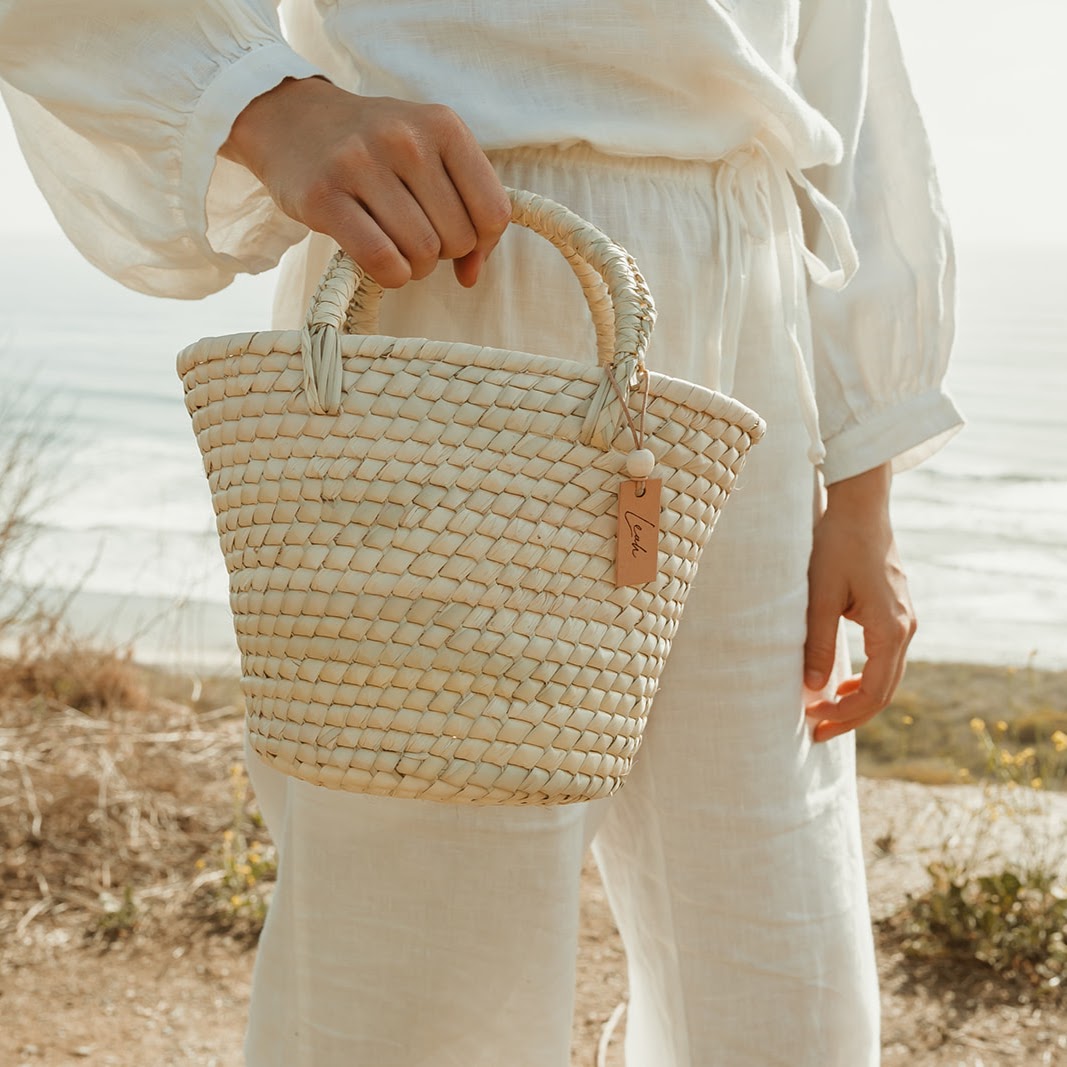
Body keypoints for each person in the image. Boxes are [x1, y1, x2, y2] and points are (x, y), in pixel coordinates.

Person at [0, 2, 963, 1064]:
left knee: (778, 973)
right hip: (454, 267)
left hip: (755, 311)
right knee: (414, 982)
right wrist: (264, 105)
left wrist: (863, 482)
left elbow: (847, 72)